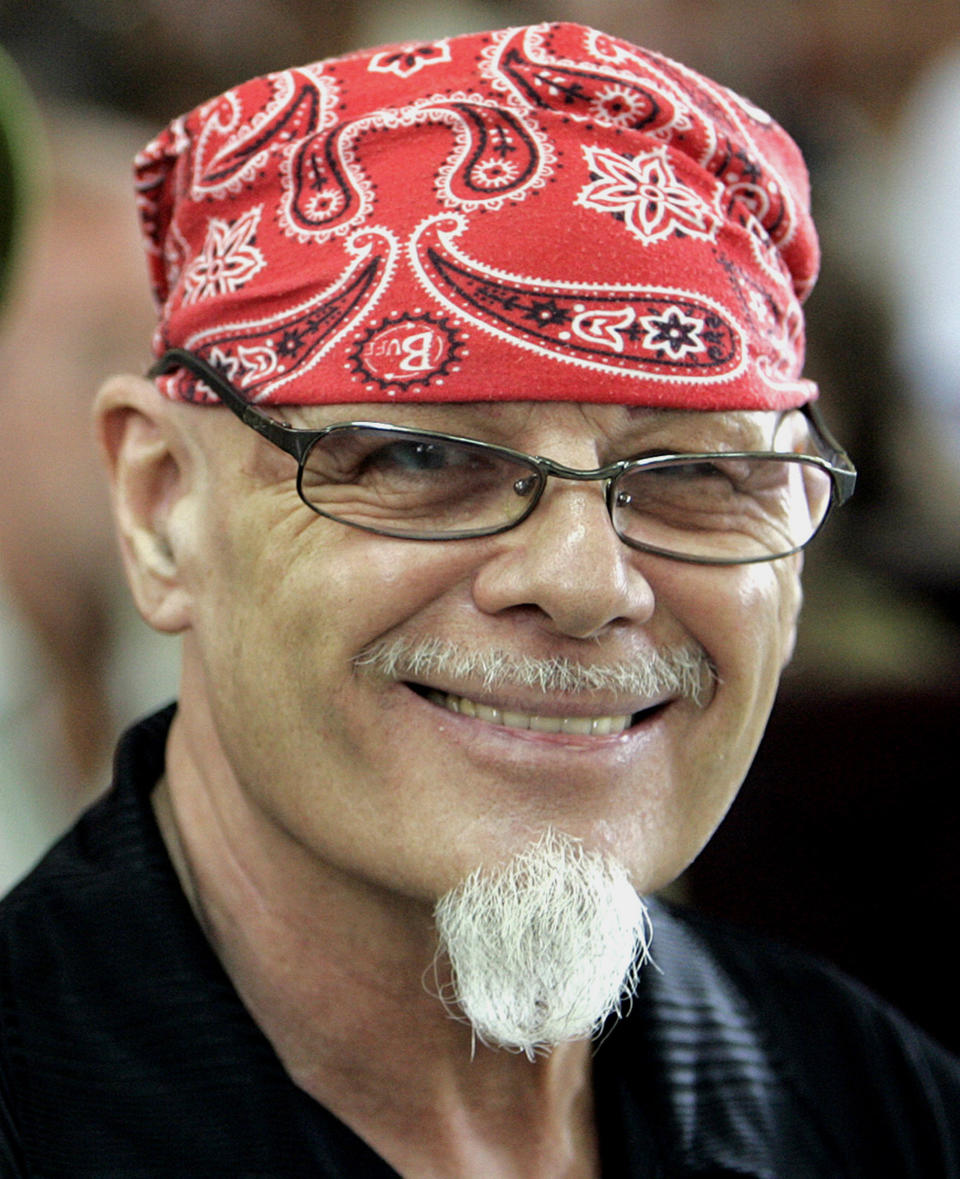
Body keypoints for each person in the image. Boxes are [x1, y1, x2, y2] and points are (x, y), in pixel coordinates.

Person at [0, 21, 957, 1177]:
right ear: (162, 509)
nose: (584, 581)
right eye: (420, 460)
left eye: (700, 474)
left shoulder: (885, 1113)